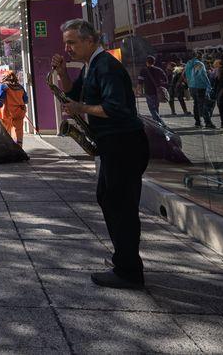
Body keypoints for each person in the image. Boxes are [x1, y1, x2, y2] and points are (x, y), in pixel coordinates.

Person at [52, 19, 149, 290]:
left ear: (90, 40)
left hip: (123, 144)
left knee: (121, 206)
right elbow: (74, 91)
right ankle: (124, 259)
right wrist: (62, 73)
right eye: (66, 43)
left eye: (72, 42)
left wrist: (80, 109)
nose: (68, 48)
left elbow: (115, 108)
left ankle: (129, 270)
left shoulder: (106, 65)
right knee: (108, 198)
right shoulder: (91, 65)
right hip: (113, 144)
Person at [0, 72, 28, 144]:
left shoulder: (3, 86)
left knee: (6, 131)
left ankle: (7, 148)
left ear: (5, 77)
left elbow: (0, 100)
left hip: (7, 112)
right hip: (20, 111)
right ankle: (18, 148)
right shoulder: (20, 87)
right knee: (18, 131)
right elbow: (26, 100)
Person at [184, 54, 214, 128]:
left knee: (196, 104)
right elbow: (202, 75)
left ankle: (197, 122)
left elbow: (186, 75)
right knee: (203, 104)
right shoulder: (199, 64)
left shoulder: (188, 64)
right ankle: (208, 122)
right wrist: (208, 85)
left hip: (191, 86)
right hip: (200, 86)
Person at [138, 57, 168, 125]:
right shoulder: (159, 70)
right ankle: (157, 122)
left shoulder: (143, 70)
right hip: (158, 91)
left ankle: (160, 122)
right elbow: (165, 80)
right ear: (154, 62)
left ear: (146, 62)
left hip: (148, 91)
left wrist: (139, 90)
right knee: (156, 107)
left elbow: (140, 82)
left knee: (152, 108)